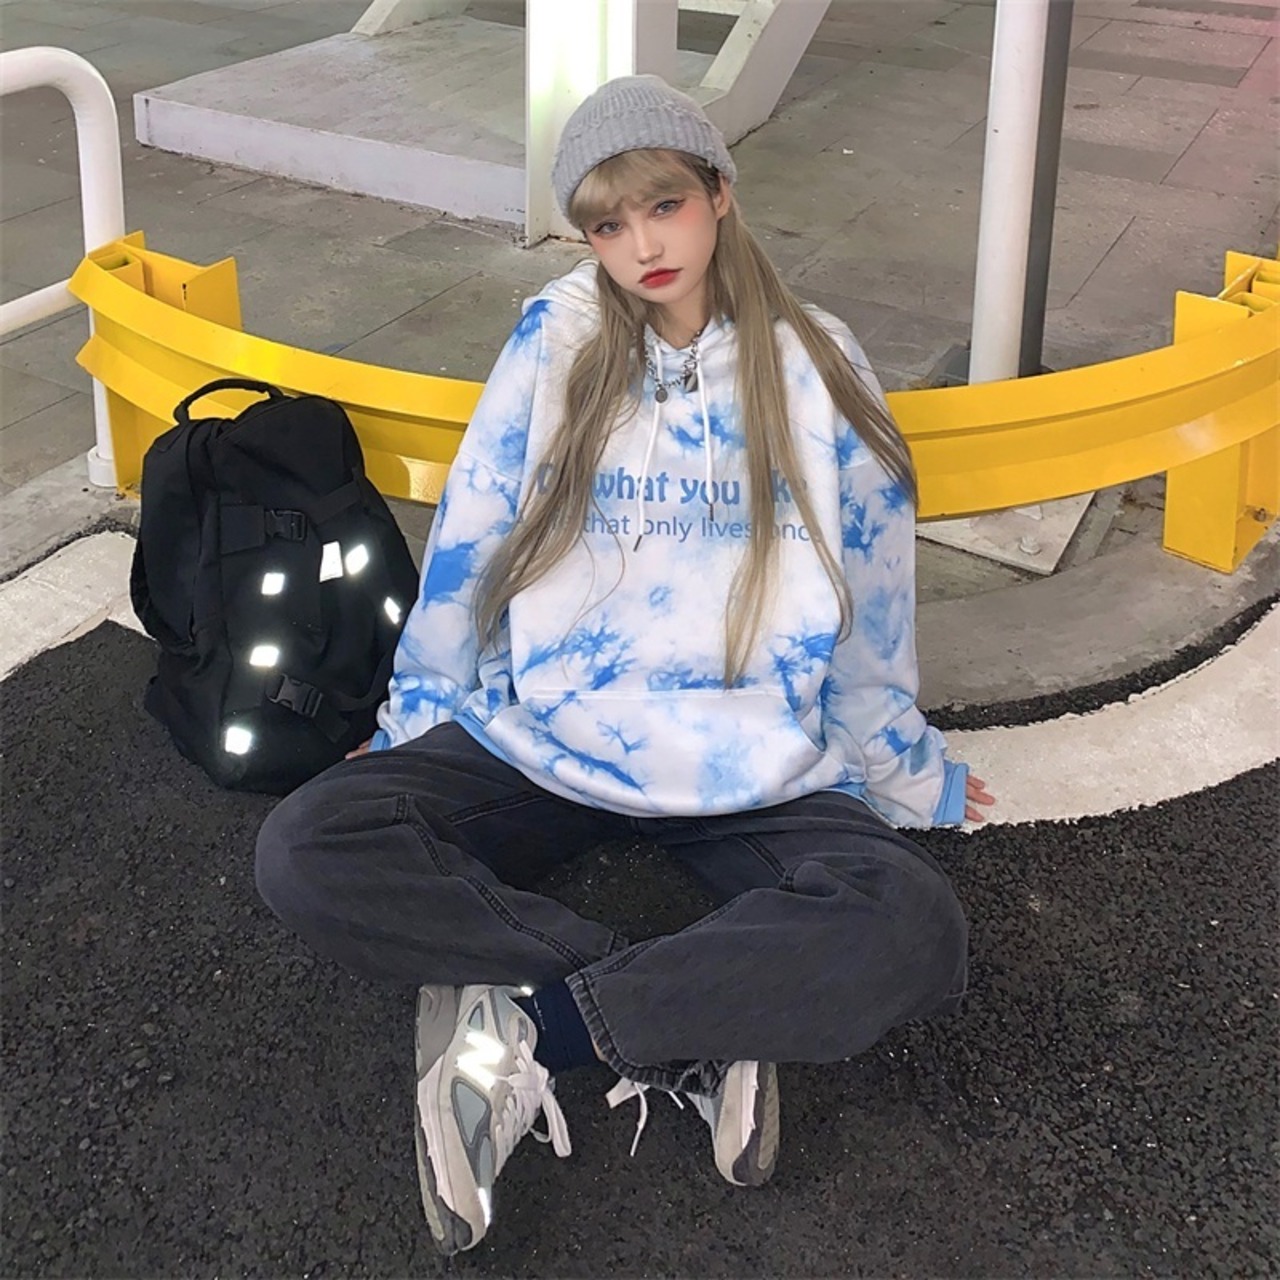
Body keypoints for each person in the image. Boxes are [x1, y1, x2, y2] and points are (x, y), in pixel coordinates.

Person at [255, 74, 995, 1256]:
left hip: (752, 755)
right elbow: (473, 540)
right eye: (607, 223)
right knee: (307, 845)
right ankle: (700, 1010)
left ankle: (539, 1026)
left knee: (911, 924)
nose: (643, 246)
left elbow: (868, 583)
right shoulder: (554, 339)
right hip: (553, 734)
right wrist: (415, 718)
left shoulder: (815, 359)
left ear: (718, 194)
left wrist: (902, 761)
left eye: (663, 205)